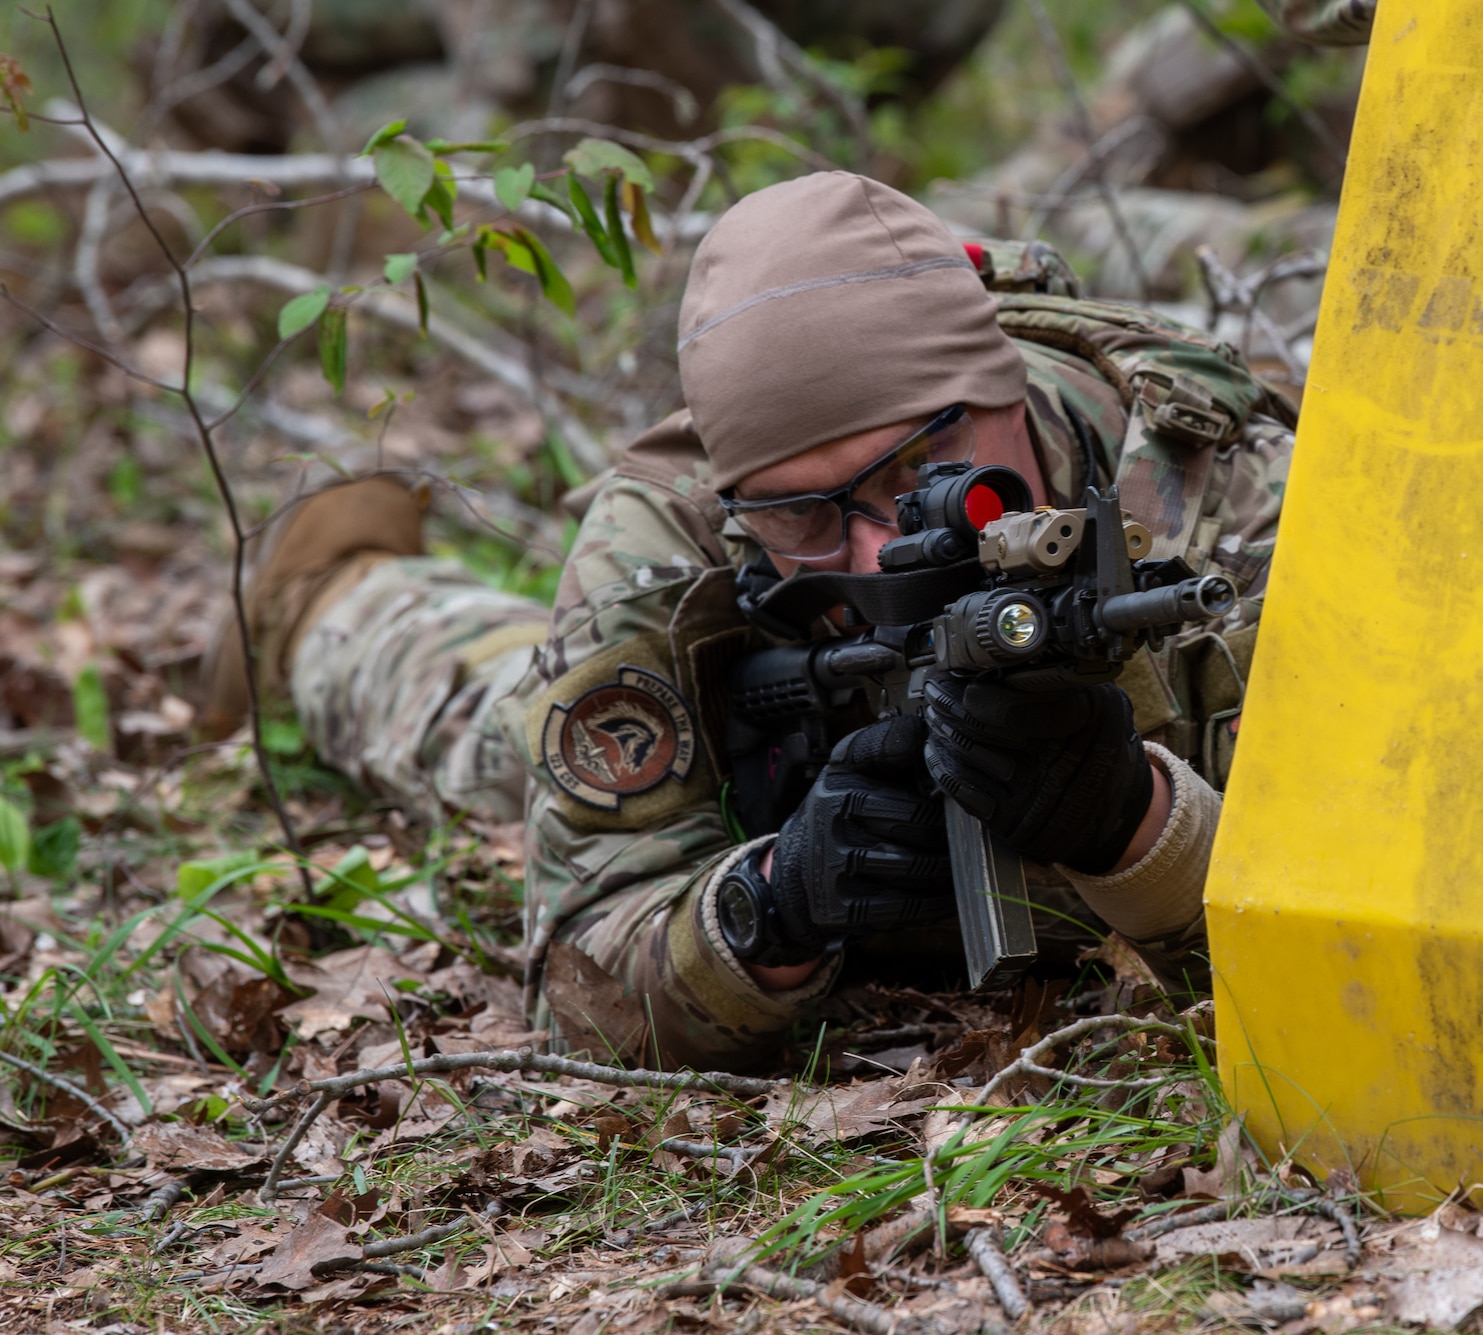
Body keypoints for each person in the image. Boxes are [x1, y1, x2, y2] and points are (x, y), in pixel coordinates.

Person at [201, 172, 1293, 1071]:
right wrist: (768, 909)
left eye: (923, 471)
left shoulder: (1241, 505)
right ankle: (327, 596)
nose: (879, 552)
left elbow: (1379, 907)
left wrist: (1136, 826)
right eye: (805, 514)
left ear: (1004, 382)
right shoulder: (667, 545)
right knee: (488, 727)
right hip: (688, 729)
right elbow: (584, 980)